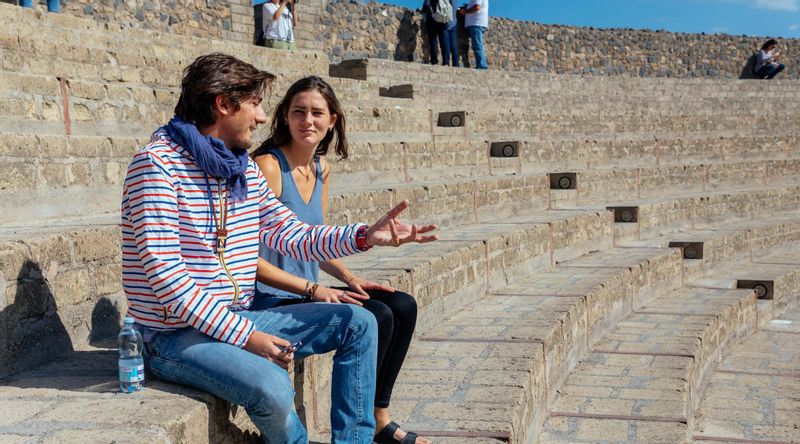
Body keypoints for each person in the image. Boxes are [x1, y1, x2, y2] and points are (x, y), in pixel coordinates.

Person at [121, 53, 438, 444]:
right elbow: (167, 277)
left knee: (361, 322)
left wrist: (364, 236)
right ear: (223, 104)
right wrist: (247, 337)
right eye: (254, 104)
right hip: (175, 335)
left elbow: (293, 235)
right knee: (272, 385)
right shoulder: (157, 166)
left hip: (236, 317)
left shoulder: (240, 169)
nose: (259, 117)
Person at [250, 76, 432, 444]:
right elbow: (247, 256)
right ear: (284, 116)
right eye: (298, 111)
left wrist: (350, 278)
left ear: (332, 120)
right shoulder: (267, 166)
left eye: (317, 113)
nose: (307, 120)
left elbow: (311, 240)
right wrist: (316, 289)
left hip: (308, 289)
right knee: (375, 316)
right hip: (273, 294)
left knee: (402, 305)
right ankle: (354, 432)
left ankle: (380, 418)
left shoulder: (321, 168)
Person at [458, 0, 489, 69]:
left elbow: (477, 7)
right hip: (476, 23)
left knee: (477, 45)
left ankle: (482, 65)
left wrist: (465, 11)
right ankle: (481, 65)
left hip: (476, 23)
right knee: (477, 44)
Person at [422, 0, 446, 65]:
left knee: (433, 41)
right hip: (441, 20)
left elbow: (426, 4)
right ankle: (445, 61)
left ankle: (434, 60)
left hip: (432, 20)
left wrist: (423, 10)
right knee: (442, 41)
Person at [442, 0, 459, 66]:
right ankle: (456, 63)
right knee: (453, 45)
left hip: (446, 22)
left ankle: (446, 62)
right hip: (453, 23)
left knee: (446, 44)